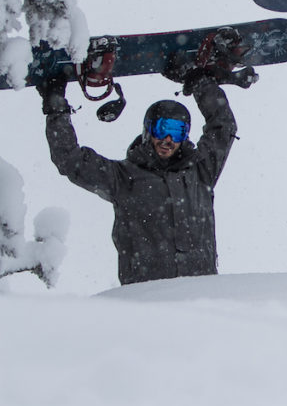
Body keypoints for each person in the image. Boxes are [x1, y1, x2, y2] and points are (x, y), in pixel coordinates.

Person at [39, 63, 242, 286]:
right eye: (162, 129)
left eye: (177, 132)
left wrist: (200, 83)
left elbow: (223, 125)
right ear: (148, 131)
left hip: (202, 296)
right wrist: (56, 108)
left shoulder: (200, 171)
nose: (168, 140)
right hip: (147, 300)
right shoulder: (124, 177)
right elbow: (70, 159)